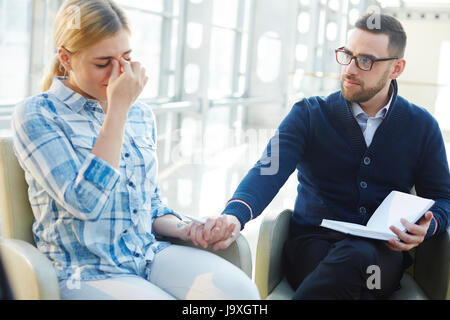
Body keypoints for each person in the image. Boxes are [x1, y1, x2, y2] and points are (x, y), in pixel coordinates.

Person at [11, 0, 259, 300]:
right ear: (65, 58)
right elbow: (86, 204)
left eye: (126, 58)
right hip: (85, 271)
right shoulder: (38, 114)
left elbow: (148, 205)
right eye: (103, 63)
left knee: (240, 295)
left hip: (147, 255)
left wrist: (187, 228)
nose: (119, 73)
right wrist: (117, 111)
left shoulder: (140, 114)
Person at [194, 13, 450, 299]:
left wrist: (430, 225)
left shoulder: (422, 126)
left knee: (358, 259)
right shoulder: (308, 115)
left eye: (365, 61)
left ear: (396, 68)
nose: (350, 69)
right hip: (312, 250)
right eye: (347, 55)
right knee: (351, 275)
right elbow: (268, 170)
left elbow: (443, 198)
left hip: (380, 258)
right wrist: (234, 215)